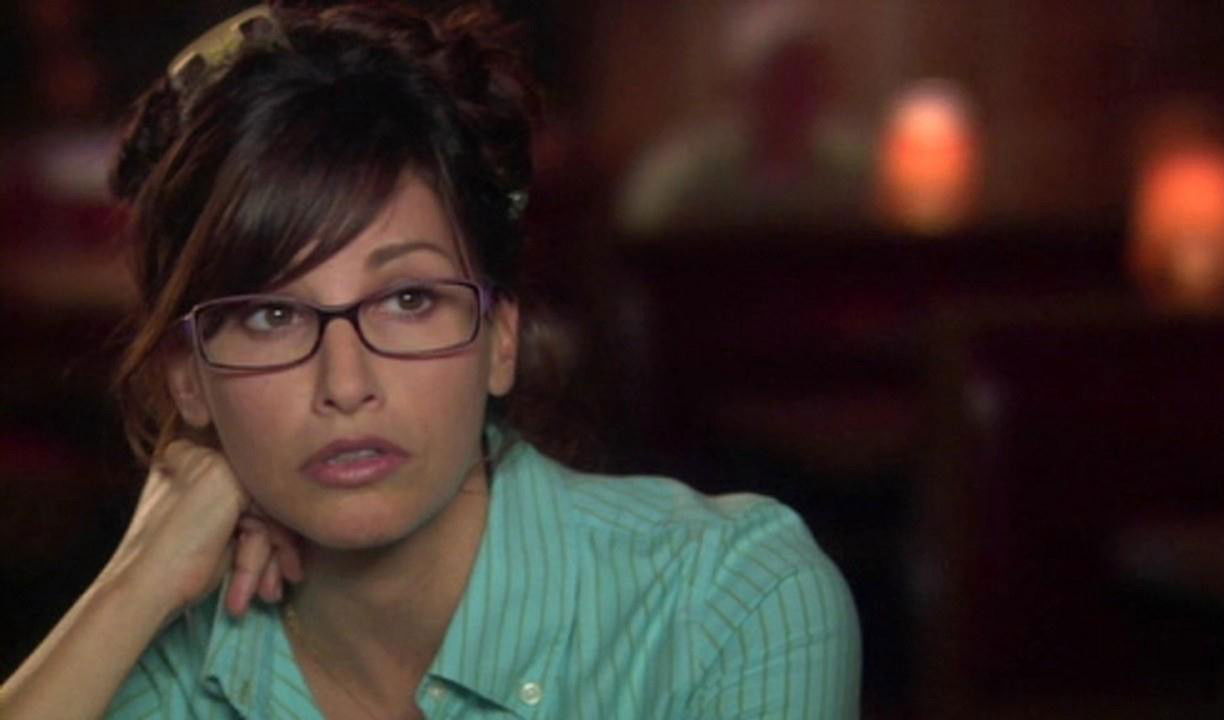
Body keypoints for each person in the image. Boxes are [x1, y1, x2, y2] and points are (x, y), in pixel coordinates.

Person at [0, 2, 860, 718]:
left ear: (501, 338)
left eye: (409, 299)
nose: (346, 385)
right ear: (188, 378)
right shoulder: (161, 675)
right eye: (271, 315)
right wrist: (135, 584)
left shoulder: (724, 603)